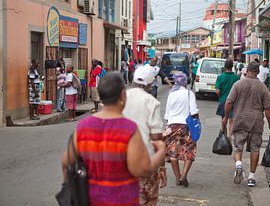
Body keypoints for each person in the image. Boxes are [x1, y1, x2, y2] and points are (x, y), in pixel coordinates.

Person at [61, 72, 166, 205]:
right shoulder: (129, 129)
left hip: (91, 199)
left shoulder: (83, 127)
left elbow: (66, 162)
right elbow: (141, 169)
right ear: (122, 95)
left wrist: (71, 189)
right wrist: (161, 151)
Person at [222, 61, 270, 187]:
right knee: (255, 149)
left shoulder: (238, 84)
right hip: (256, 122)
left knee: (238, 147)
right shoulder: (262, 87)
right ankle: (251, 177)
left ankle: (239, 165)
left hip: (240, 120)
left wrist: (226, 116)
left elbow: (229, 102)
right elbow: (268, 108)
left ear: (247, 71)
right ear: (257, 72)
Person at [123, 66, 167, 205]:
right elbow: (156, 138)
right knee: (147, 200)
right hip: (144, 161)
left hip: (120, 159)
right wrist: (161, 167)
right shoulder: (151, 102)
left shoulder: (122, 97)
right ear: (149, 84)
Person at [164, 72, 199, 187]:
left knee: (173, 152)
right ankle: (184, 175)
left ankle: (178, 178)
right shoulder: (189, 94)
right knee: (189, 150)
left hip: (173, 125)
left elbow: (167, 115)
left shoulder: (171, 94)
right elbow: (193, 112)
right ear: (185, 82)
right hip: (186, 126)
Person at [215, 59, 240, 137]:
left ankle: (223, 133)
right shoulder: (237, 78)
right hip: (234, 102)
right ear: (232, 66)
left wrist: (221, 95)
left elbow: (217, 91)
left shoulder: (220, 77)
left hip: (223, 101)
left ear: (224, 66)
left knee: (224, 118)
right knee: (231, 120)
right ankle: (230, 135)